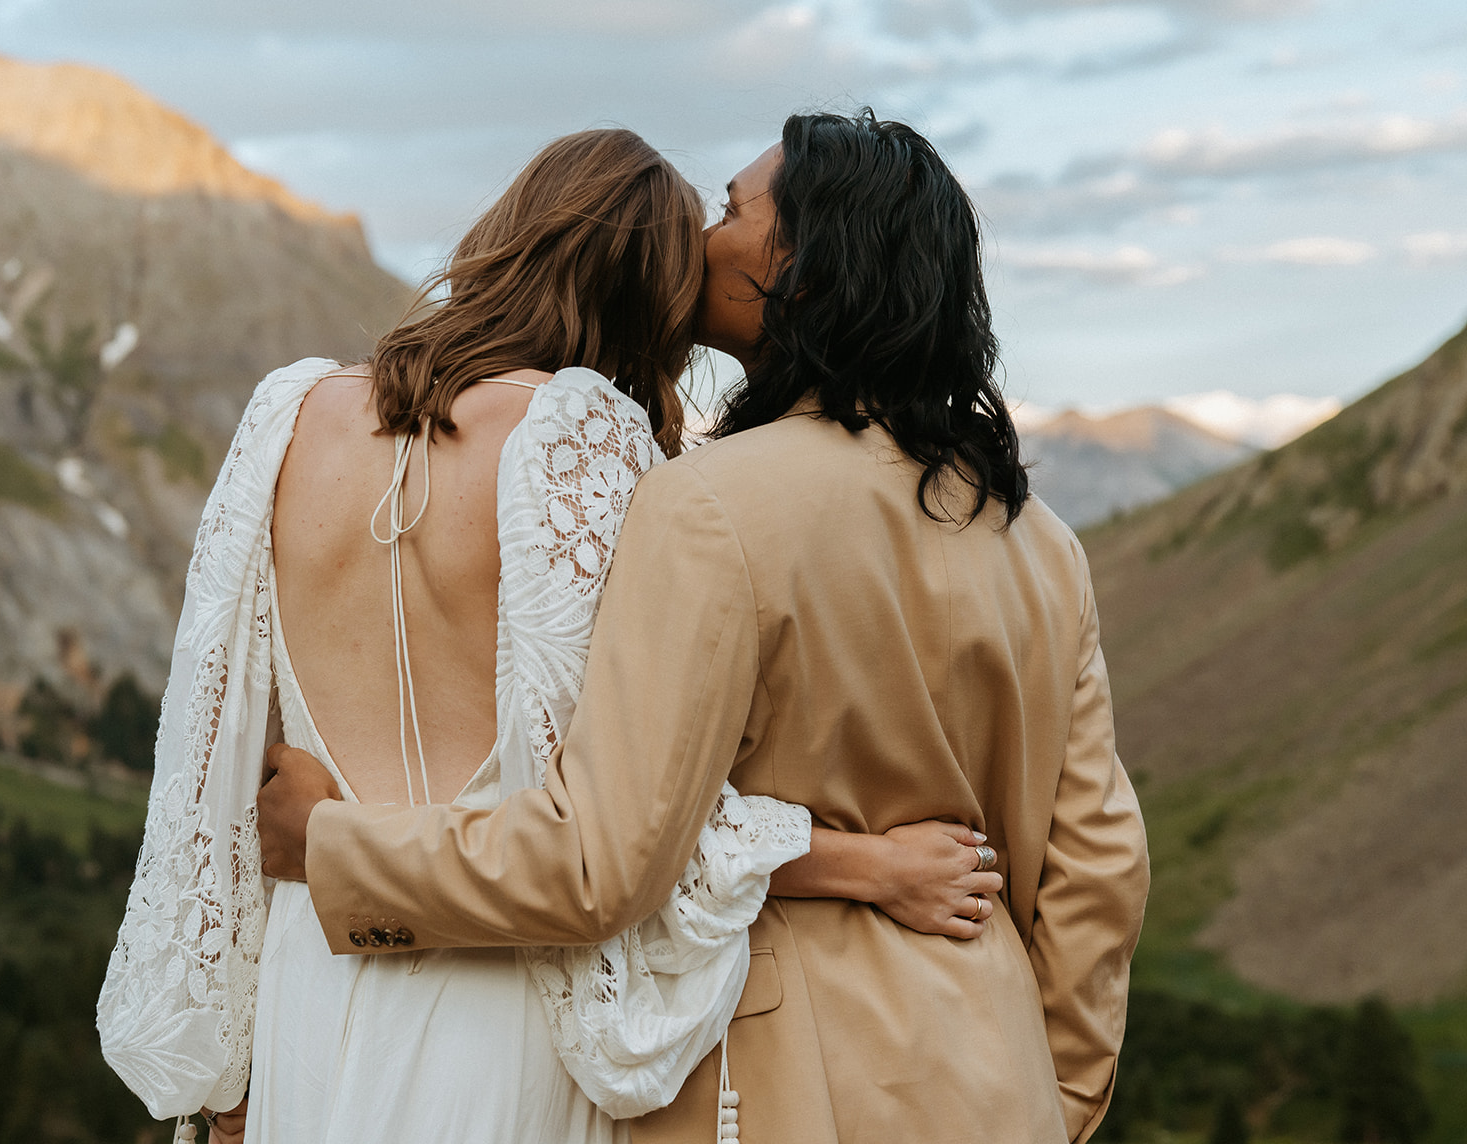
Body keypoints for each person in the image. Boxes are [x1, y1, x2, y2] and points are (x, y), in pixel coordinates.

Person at [260, 109, 1151, 1143]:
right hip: (998, 1085)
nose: (697, 238)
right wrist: (1056, 1102)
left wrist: (332, 848)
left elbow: (602, 857)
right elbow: (1098, 876)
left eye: (731, 211)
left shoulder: (706, 507)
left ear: (807, 269)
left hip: (773, 1090)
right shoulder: (1039, 543)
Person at [98, 127, 1002, 1144]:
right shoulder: (581, 433)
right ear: (654, 300)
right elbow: (624, 824)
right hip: (496, 995)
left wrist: (223, 1065)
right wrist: (863, 864)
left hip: (309, 973)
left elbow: (211, 765)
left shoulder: (290, 412)